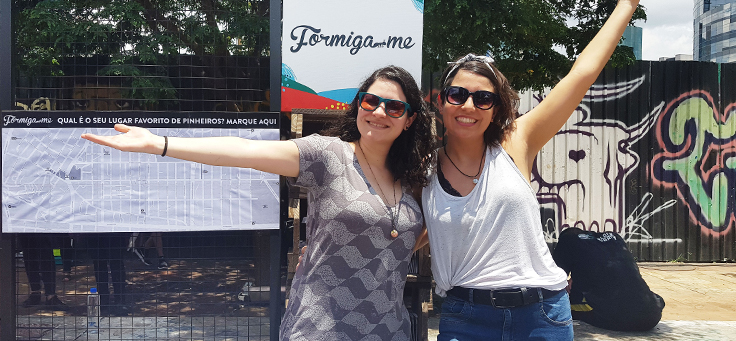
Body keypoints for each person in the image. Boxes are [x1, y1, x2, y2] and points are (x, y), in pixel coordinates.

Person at [81, 65, 435, 340]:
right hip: (322, 328)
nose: (379, 112)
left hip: (389, 330)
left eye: (394, 106)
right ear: (359, 104)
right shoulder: (328, 156)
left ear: (409, 119)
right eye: (371, 101)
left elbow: (420, 232)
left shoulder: (415, 177)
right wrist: (161, 144)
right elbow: (246, 151)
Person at [418, 1, 642, 339]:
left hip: (541, 316)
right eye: (457, 94)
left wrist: (627, 4)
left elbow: (582, 72)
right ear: (441, 101)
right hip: (466, 319)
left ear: (496, 109)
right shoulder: (423, 169)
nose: (468, 106)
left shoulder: (516, 142)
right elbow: (406, 232)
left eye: (483, 99)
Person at [553, 227, 665, 331]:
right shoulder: (614, 238)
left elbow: (554, 280)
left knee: (561, 307)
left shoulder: (568, 239)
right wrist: (576, 277)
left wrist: (566, 281)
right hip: (652, 313)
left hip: (623, 318)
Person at [17, 234, 67, 310]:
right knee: (28, 253)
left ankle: (50, 296)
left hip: (42, 226)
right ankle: (35, 292)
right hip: (25, 226)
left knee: (46, 252)